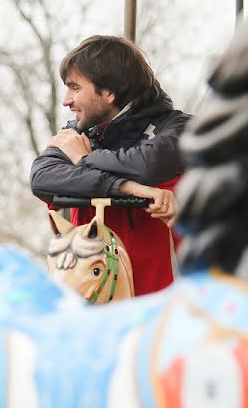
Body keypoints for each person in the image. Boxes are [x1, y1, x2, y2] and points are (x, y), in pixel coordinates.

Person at [30, 35, 191, 295]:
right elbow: (42, 178)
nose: (66, 100)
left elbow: (147, 166)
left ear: (108, 92)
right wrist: (126, 187)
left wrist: (84, 160)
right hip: (92, 313)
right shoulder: (75, 135)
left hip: (162, 313)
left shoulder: (178, 129)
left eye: (75, 88)